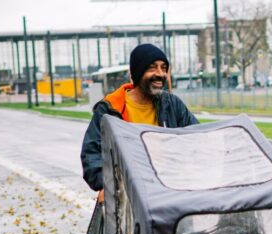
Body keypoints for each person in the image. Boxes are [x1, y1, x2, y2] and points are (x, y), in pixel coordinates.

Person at [80, 43, 199, 194]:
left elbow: (197, 139)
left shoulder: (172, 104)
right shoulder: (110, 109)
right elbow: (91, 157)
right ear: (137, 72)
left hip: (170, 192)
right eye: (152, 67)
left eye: (164, 68)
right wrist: (112, 183)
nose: (160, 74)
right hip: (127, 196)